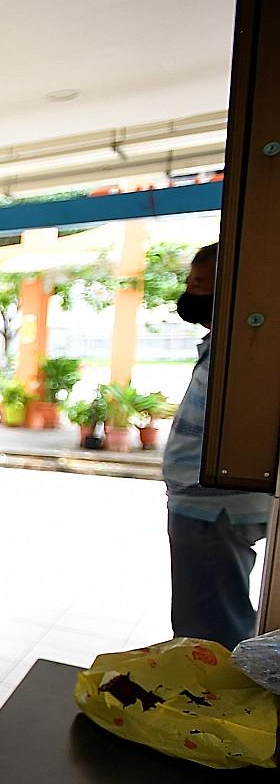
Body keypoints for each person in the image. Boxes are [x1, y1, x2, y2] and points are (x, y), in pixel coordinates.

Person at [164, 243, 272, 649]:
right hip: (206, 505)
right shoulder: (225, 344)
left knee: (208, 633)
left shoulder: (245, 351)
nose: (190, 293)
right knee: (207, 618)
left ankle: (214, 688)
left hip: (214, 508)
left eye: (200, 284)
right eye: (190, 283)